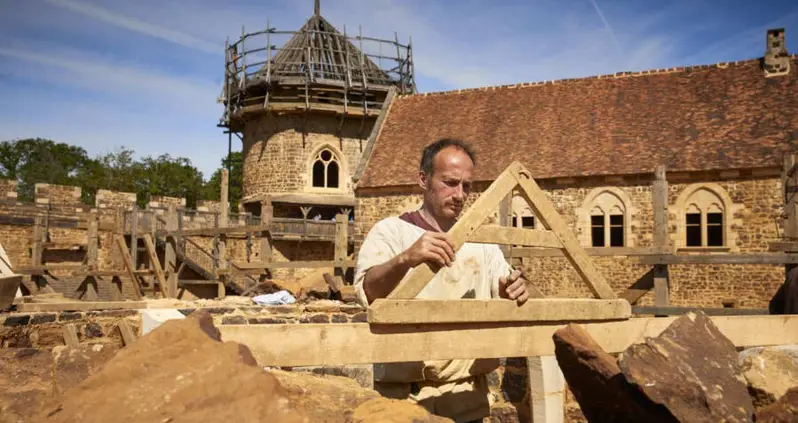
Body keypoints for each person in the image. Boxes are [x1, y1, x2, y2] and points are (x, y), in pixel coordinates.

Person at [353, 138, 531, 423]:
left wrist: (513, 290)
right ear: (423, 179)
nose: (460, 194)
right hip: (403, 400)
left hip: (466, 397)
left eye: (467, 186)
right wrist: (407, 258)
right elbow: (368, 291)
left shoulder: (482, 244)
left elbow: (509, 290)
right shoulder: (390, 232)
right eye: (450, 182)